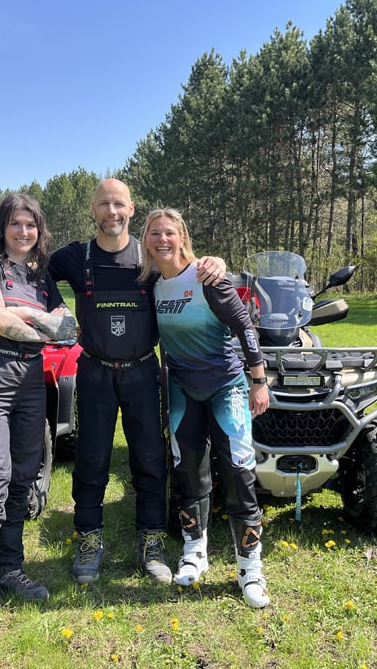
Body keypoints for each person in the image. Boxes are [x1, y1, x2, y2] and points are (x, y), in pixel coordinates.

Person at [0, 179, 226, 586]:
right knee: (91, 459)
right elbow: (21, 263)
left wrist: (216, 262)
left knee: (150, 459)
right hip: (95, 371)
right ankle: (88, 538)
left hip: (142, 371)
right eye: (104, 204)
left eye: (119, 204)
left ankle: (152, 541)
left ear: (131, 209)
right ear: (93, 209)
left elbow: (188, 264)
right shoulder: (73, 257)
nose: (111, 212)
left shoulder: (150, 254)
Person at [0, 193, 76, 663]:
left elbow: (68, 327)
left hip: (29, 385)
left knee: (23, 480)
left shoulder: (42, 277)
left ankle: (8, 569)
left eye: (31, 225)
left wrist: (25, 314)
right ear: (2, 227)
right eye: (15, 224)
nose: (24, 232)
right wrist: (35, 322)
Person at [140, 207, 271, 608]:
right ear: (146, 241)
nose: (162, 240)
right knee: (189, 475)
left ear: (182, 236)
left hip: (225, 389)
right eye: (154, 233)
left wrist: (259, 381)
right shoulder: (152, 285)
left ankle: (250, 568)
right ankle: (194, 552)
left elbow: (244, 326)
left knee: (239, 475)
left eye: (169, 232)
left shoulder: (207, 277)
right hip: (182, 392)